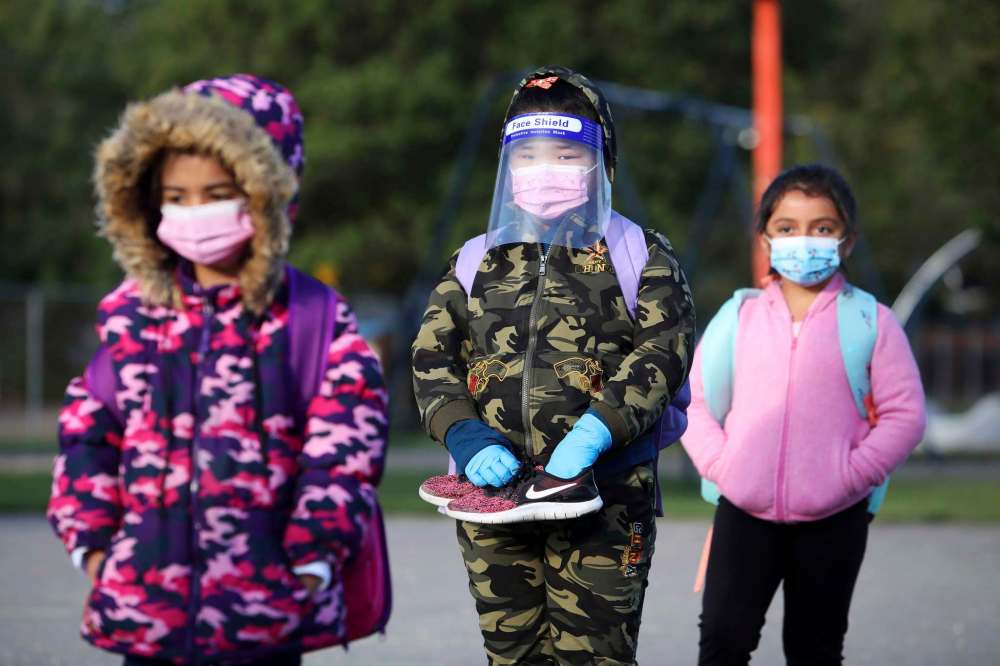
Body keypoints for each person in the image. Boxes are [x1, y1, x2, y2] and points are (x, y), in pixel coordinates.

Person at [47, 74, 389, 665]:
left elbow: (343, 455)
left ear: (266, 193)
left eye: (218, 192)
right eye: (176, 197)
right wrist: (95, 550)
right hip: (145, 618)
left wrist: (308, 566)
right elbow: (86, 433)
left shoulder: (310, 317)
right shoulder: (133, 315)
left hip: (266, 620)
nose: (194, 212)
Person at [411, 65, 695, 665]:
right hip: (494, 499)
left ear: (602, 164)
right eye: (529, 154)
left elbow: (662, 353)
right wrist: (464, 434)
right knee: (511, 654)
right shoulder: (474, 260)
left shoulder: (640, 254)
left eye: (567, 153)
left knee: (595, 656)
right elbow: (432, 357)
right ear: (506, 165)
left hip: (604, 500)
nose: (546, 169)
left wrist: (593, 435)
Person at [681, 164, 926, 666]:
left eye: (822, 227)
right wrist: (724, 467)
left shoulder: (872, 320)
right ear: (766, 239)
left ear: (847, 240)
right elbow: (695, 402)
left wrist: (851, 476)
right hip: (743, 512)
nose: (804, 240)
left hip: (835, 518)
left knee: (815, 649)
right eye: (787, 228)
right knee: (723, 642)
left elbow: (905, 415)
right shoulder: (738, 316)